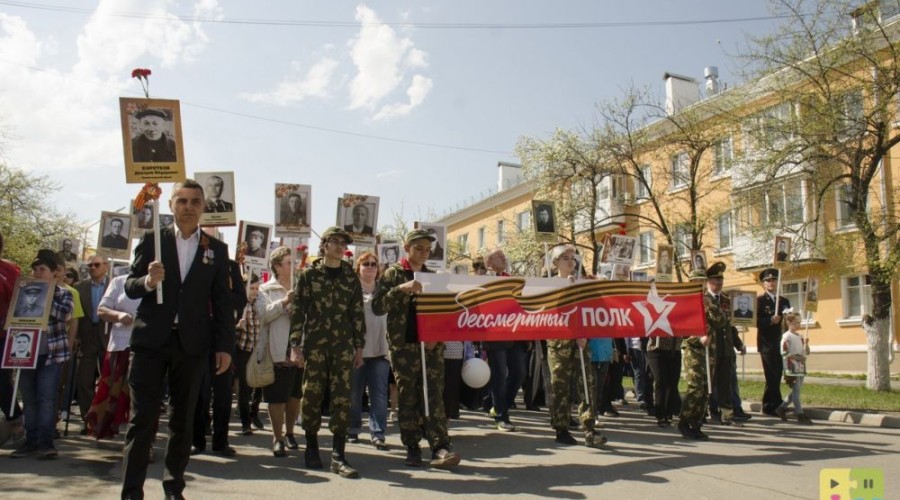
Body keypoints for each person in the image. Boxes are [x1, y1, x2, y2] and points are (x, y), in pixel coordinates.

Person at [120, 179, 234, 500]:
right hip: (150, 343)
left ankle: (173, 489)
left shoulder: (216, 250)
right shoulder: (152, 240)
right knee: (142, 422)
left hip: (192, 345)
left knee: (183, 421)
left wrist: (224, 346)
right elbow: (129, 286)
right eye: (181, 201)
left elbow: (222, 302)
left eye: (195, 201)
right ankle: (131, 493)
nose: (188, 207)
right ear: (170, 205)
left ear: (203, 207)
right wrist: (147, 280)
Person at [372, 228, 461, 468]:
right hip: (404, 347)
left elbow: (444, 314)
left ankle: (440, 446)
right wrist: (401, 289)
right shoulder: (393, 274)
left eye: (427, 249)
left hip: (431, 347)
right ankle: (412, 445)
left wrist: (437, 338)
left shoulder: (433, 277)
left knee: (434, 396)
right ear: (407, 248)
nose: (424, 253)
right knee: (408, 396)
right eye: (419, 248)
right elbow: (378, 306)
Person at [289, 227, 365, 478]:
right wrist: (295, 345)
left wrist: (359, 347)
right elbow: (299, 310)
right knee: (312, 394)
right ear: (324, 245)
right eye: (335, 241)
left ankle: (338, 456)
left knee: (342, 398)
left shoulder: (350, 276)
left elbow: (356, 313)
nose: (340, 246)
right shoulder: (309, 275)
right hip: (315, 344)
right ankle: (311, 447)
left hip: (343, 345)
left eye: (344, 243)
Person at [10, 249, 75, 459]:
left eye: (42, 269)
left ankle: (46, 443)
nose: (37, 273)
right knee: (29, 400)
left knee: (46, 399)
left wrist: (44, 296)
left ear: (54, 273)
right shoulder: (23, 292)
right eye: (35, 269)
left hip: (51, 356)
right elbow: (14, 319)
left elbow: (65, 315)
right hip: (26, 354)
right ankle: (31, 441)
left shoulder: (64, 294)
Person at [546, 244, 605, 448]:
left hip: (581, 340)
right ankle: (561, 428)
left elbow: (590, 310)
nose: (570, 261)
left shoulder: (582, 283)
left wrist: (585, 334)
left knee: (586, 384)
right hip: (558, 342)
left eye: (573, 258)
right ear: (556, 263)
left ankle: (589, 427)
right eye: (565, 258)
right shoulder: (549, 284)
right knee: (560, 384)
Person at [84, 273, 142, 441]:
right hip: (120, 345)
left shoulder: (162, 281)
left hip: (147, 346)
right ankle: (105, 428)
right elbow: (102, 310)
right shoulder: (119, 281)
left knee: (142, 396)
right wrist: (118, 316)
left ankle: (143, 441)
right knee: (112, 392)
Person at [258, 247, 301, 458]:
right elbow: (262, 315)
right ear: (277, 266)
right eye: (288, 262)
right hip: (277, 348)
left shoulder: (300, 286)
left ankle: (290, 432)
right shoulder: (265, 289)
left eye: (293, 262)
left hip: (298, 348)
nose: (293, 266)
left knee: (294, 395)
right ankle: (277, 437)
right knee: (277, 397)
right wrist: (284, 302)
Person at [348, 252, 390, 450]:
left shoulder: (384, 290)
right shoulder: (352, 289)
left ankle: (378, 433)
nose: (370, 267)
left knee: (379, 395)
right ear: (359, 267)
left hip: (381, 350)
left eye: (374, 264)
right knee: (354, 394)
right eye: (366, 264)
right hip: (357, 349)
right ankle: (353, 428)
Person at [483, 248, 527, 432]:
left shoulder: (512, 281)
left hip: (514, 334)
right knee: (500, 374)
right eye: (498, 256)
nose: (504, 258)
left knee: (519, 373)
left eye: (504, 256)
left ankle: (496, 404)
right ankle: (501, 416)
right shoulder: (482, 280)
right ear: (488, 263)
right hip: (494, 335)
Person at [74, 255, 110, 434]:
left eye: (97, 265)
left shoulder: (114, 285)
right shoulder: (79, 287)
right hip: (87, 338)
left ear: (106, 266)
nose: (93, 268)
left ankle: (105, 420)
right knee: (84, 381)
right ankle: (88, 420)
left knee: (108, 381)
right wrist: (75, 336)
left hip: (108, 337)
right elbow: (75, 315)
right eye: (90, 265)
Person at [757, 267, 790, 416]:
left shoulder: (784, 301)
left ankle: (768, 404)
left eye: (774, 280)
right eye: (768, 280)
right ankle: (776, 405)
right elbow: (756, 321)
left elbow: (789, 320)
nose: (771, 282)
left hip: (781, 343)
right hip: (767, 344)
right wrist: (769, 320)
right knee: (771, 375)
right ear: (763, 284)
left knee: (777, 374)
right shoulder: (760, 301)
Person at [0, 231, 23, 446]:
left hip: (2, 335)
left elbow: (17, 303)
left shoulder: (9, 271)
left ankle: (15, 420)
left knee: (2, 381)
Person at [233, 273, 263, 436]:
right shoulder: (239, 305)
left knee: (249, 388)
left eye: (257, 288)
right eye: (251, 288)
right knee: (238, 387)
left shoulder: (259, 304)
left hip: (253, 351)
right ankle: (244, 422)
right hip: (239, 351)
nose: (255, 291)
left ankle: (249, 419)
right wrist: (237, 325)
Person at [776, 311, 812, 424]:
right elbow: (784, 352)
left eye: (799, 322)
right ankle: (799, 413)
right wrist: (798, 358)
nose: (799, 325)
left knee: (797, 389)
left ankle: (781, 408)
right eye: (796, 322)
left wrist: (806, 343)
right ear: (789, 322)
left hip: (800, 366)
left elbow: (807, 352)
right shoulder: (786, 336)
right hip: (791, 366)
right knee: (796, 390)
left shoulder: (800, 336)